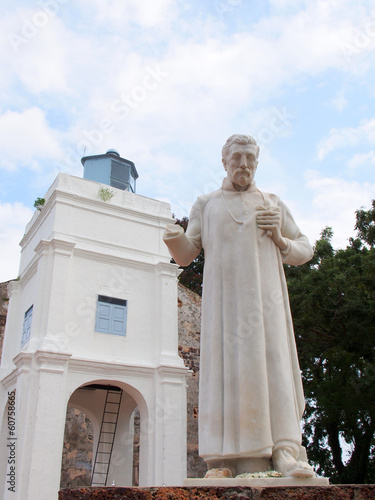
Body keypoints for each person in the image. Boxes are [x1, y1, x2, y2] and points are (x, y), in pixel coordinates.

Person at [163, 134, 315, 478]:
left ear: (257, 163)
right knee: (225, 374)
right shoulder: (206, 204)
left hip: (267, 305)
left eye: (250, 158)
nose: (243, 165)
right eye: (237, 158)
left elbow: (305, 249)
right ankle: (222, 460)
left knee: (271, 367)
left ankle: (284, 452)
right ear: (224, 161)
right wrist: (173, 237)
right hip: (224, 310)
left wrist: (281, 239)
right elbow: (187, 255)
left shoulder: (273, 202)